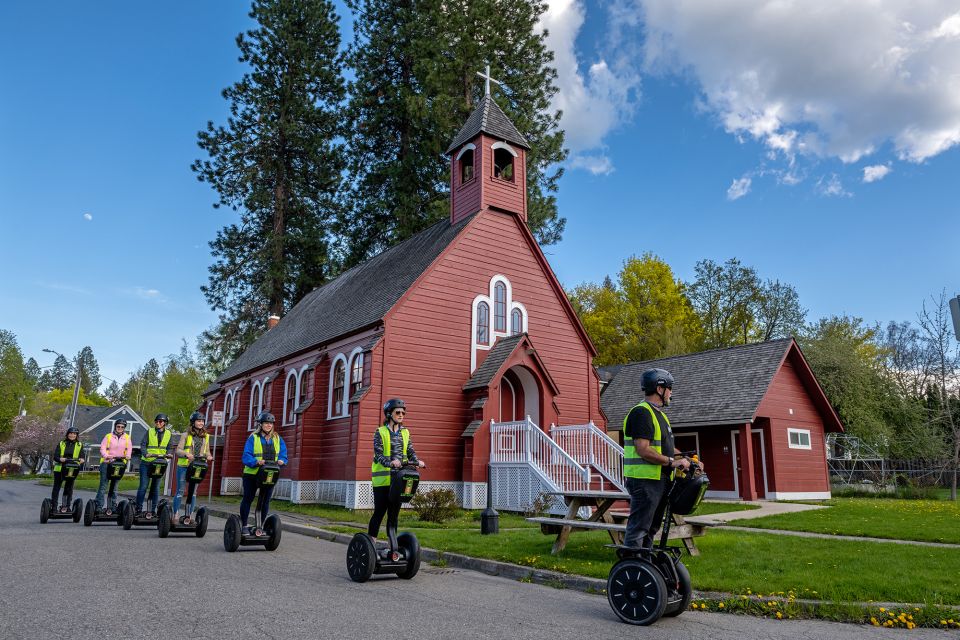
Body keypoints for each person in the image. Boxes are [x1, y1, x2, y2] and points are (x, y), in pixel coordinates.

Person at [622, 368, 692, 550]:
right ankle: (632, 568)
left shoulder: (660, 415)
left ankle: (645, 565)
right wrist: (672, 462)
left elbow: (667, 448)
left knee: (651, 528)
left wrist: (686, 459)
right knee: (639, 528)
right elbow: (643, 449)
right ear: (659, 389)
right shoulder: (641, 413)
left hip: (659, 479)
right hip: (644, 481)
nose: (671, 393)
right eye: (670, 388)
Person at [368, 398, 426, 541]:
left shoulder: (405, 432)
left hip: (399, 479)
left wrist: (417, 461)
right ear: (389, 414)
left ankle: (392, 546)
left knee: (394, 514)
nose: (401, 415)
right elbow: (379, 455)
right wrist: (390, 463)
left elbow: (410, 451)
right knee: (380, 512)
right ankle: (371, 543)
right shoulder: (380, 432)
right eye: (398, 412)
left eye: (403, 413)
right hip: (383, 481)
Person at [240, 412, 288, 534]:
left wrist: (282, 461)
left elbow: (283, 454)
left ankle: (259, 526)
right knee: (248, 498)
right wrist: (256, 462)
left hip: (269, 474)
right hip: (252, 474)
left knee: (265, 500)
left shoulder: (277, 438)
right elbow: (246, 456)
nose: (268, 425)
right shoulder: (253, 438)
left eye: (270, 423)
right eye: (266, 423)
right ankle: (244, 525)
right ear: (260, 424)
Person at [173, 411, 212, 516]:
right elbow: (178, 450)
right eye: (199, 421)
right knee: (180, 490)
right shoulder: (185, 435)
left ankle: (189, 515)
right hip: (184, 466)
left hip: (197, 466)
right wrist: (186, 454)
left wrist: (209, 456)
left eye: (202, 421)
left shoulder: (206, 436)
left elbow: (207, 451)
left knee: (193, 493)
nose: (201, 423)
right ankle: (175, 513)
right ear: (193, 422)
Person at [136, 413, 173, 513]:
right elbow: (143, 445)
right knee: (143, 486)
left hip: (159, 463)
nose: (157, 423)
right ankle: (138, 509)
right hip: (147, 463)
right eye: (156, 421)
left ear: (165, 423)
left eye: (160, 421)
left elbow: (170, 447)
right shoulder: (150, 431)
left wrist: (169, 454)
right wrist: (146, 453)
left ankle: (152, 510)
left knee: (155, 487)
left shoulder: (169, 433)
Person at [95, 418, 132, 509]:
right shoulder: (108, 436)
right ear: (115, 426)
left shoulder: (127, 438)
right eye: (118, 426)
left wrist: (128, 456)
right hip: (107, 463)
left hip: (119, 464)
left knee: (115, 487)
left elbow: (129, 449)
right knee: (103, 485)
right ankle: (99, 506)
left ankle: (112, 506)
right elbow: (102, 448)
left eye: (122, 427)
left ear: (124, 428)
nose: (120, 428)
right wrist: (106, 455)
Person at [51, 427, 85, 508]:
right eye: (70, 433)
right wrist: (60, 459)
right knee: (57, 487)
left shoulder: (79, 445)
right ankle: (54, 506)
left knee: (69, 488)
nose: (72, 435)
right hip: (60, 469)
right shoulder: (61, 443)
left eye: (74, 434)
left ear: (76, 435)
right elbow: (55, 456)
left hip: (71, 469)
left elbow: (82, 456)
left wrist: (82, 459)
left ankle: (66, 506)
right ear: (67, 434)